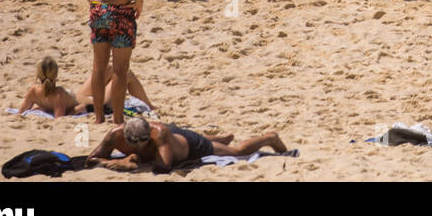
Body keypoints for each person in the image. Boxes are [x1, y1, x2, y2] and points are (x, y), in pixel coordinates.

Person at [87, 117, 286, 171]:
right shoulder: (114, 135)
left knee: (236, 151)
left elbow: (165, 165)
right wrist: (106, 163)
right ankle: (220, 138)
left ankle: (269, 137)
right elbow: (91, 159)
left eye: (145, 144)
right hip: (177, 138)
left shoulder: (159, 134)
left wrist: (132, 161)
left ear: (149, 135)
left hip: (190, 146)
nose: (139, 149)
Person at [75, 62, 153, 115]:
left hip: (79, 100)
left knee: (108, 67)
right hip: (90, 106)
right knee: (125, 74)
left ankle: (149, 106)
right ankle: (151, 107)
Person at [17, 57, 84, 117]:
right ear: (56, 75)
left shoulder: (33, 91)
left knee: (78, 108)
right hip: (65, 97)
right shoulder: (57, 95)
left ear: (37, 76)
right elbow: (20, 113)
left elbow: (60, 119)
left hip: (73, 100)